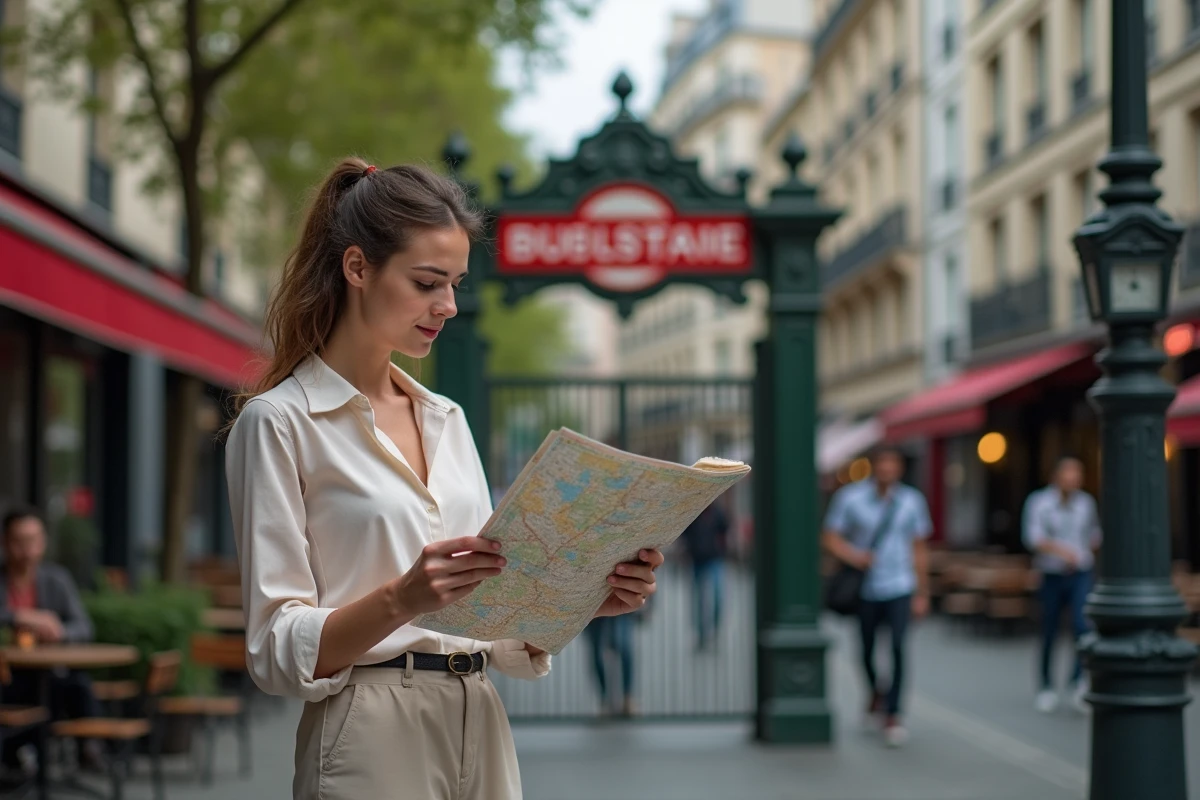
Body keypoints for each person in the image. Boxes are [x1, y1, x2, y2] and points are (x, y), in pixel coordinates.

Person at [223, 159, 664, 800]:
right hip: (369, 728)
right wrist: (399, 599)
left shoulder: (447, 419)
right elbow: (274, 649)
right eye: (429, 283)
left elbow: (484, 610)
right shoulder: (280, 422)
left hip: (479, 714)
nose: (449, 306)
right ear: (357, 268)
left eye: (455, 283)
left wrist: (586, 598)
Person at [821, 447, 932, 748]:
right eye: (882, 464)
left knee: (897, 646)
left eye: (892, 464)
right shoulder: (852, 498)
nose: (887, 470)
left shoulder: (911, 501)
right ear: (873, 468)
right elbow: (830, 536)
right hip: (866, 587)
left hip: (900, 584)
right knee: (866, 649)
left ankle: (893, 713)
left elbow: (919, 546)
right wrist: (855, 556)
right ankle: (876, 691)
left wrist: (922, 591)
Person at [0, 507, 105, 774]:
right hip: (6, 678)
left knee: (76, 685)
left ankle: (88, 748)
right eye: (20, 541)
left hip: (47, 674)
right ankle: (19, 756)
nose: (28, 550)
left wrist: (60, 631)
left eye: (34, 540)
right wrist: (19, 616)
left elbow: (84, 627)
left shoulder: (56, 579)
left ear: (43, 541)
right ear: (6, 543)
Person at [1021, 455, 1101, 714]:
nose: (1072, 479)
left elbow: (1093, 534)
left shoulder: (1086, 503)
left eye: (1077, 474)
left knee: (1082, 627)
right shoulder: (1040, 502)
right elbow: (1033, 537)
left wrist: (1085, 552)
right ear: (1056, 476)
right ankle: (1046, 686)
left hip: (1080, 572)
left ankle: (1078, 681)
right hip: (1052, 573)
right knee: (1049, 630)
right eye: (1068, 473)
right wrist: (1062, 552)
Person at [681, 501, 729, 651]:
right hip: (697, 561)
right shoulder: (693, 513)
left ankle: (714, 630)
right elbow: (684, 535)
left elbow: (725, 530)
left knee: (717, 595)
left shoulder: (717, 513)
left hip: (715, 559)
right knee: (698, 600)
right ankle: (702, 634)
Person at [584, 614, 636, 717]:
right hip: (594, 610)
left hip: (621, 608)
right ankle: (606, 700)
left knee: (623, 646)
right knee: (598, 652)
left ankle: (626, 698)